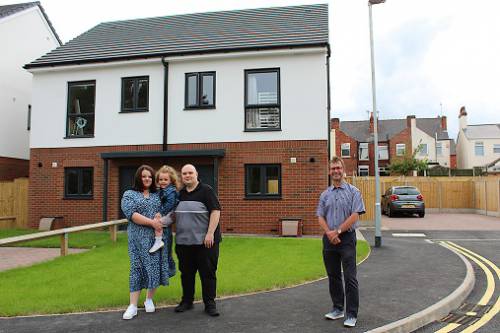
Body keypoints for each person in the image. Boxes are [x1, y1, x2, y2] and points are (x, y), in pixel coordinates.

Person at [316, 157, 365, 328]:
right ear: (330, 172)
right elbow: (320, 216)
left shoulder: (354, 192)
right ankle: (338, 309)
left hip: (347, 239)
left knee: (350, 277)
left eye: (338, 168)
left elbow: (355, 215)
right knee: (334, 276)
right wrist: (330, 233)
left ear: (343, 170)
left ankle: (351, 314)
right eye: (333, 168)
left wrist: (337, 231)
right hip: (329, 239)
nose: (336, 171)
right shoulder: (325, 194)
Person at [120, 165, 169, 320]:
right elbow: (131, 214)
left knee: (154, 267)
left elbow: (167, 209)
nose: (147, 179)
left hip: (157, 239)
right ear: (138, 178)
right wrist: (152, 223)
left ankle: (149, 299)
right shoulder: (129, 194)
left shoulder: (158, 194)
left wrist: (161, 217)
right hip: (137, 239)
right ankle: (133, 305)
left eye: (149, 176)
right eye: (144, 176)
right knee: (137, 268)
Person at [174, 164, 222, 317]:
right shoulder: (179, 194)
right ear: (181, 176)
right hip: (184, 243)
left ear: (196, 174)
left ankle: (210, 304)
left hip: (205, 243)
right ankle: (187, 301)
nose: (187, 176)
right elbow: (171, 215)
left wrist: (210, 233)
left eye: (190, 173)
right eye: (184, 173)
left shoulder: (206, 191)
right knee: (186, 274)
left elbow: (215, 211)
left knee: (208, 274)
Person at [149, 165, 179, 258]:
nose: (163, 182)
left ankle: (158, 241)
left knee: (158, 223)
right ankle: (158, 240)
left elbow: (169, 205)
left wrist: (160, 212)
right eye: (161, 179)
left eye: (165, 180)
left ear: (171, 180)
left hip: (170, 214)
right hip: (166, 214)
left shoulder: (171, 191)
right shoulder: (161, 191)